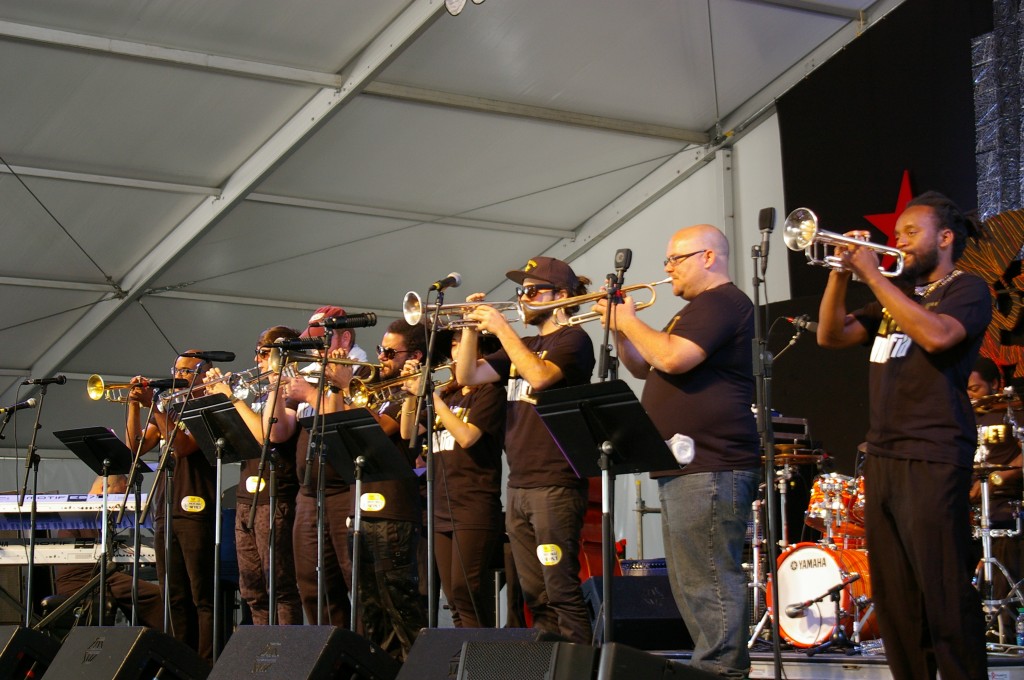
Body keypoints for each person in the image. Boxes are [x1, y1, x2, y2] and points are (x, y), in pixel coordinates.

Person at [816, 191, 990, 680]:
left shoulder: (967, 288)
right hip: (884, 456)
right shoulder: (897, 296)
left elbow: (938, 336)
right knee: (896, 598)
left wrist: (873, 274)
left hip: (933, 453)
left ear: (946, 238)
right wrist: (841, 273)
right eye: (897, 234)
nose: (900, 242)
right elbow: (831, 335)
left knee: (943, 589)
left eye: (911, 232)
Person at [592, 226, 759, 678]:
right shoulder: (691, 311)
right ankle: (712, 667)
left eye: (675, 259)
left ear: (708, 257)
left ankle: (722, 671)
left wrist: (627, 320)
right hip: (684, 464)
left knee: (708, 577)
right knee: (689, 581)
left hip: (711, 462)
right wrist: (620, 330)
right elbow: (643, 365)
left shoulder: (722, 302)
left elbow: (672, 358)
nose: (667, 269)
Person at [456, 256, 595, 643]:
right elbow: (468, 375)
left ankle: (581, 664)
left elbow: (540, 376)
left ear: (561, 296)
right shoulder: (527, 344)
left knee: (561, 589)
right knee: (535, 594)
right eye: (521, 291)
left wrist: (502, 328)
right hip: (519, 483)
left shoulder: (573, 340)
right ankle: (552, 663)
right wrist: (469, 329)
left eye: (532, 291)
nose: (522, 298)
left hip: (556, 482)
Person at [400, 333, 505, 628]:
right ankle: (464, 653)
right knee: (453, 597)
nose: (454, 351)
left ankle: (482, 652)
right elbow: (408, 432)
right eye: (454, 345)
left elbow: (468, 437)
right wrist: (411, 393)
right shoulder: (449, 394)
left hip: (473, 504)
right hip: (442, 506)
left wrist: (432, 398)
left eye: (461, 344)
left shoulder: (490, 392)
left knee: (466, 590)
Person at [203, 326, 302, 625]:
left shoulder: (292, 392)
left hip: (277, 497)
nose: (257, 359)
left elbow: (268, 434)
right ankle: (262, 648)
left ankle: (287, 649)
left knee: (280, 587)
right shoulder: (257, 392)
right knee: (252, 589)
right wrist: (217, 402)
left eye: (264, 353)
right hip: (247, 498)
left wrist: (232, 399)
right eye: (257, 352)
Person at [126, 353, 217, 661]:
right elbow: (135, 446)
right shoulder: (169, 408)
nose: (178, 375)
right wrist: (134, 406)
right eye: (176, 369)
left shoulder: (208, 407)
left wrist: (155, 406)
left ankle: (205, 663)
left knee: (201, 595)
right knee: (173, 594)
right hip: (165, 508)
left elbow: (183, 446)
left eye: (186, 371)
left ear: (203, 374)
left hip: (196, 508)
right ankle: (180, 661)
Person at [289, 306, 364, 627]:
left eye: (322, 340)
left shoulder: (360, 370)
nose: (315, 349)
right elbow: (277, 432)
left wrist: (309, 394)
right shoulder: (310, 373)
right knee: (311, 582)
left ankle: (363, 650)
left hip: (345, 488)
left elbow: (345, 424)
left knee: (354, 578)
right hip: (309, 490)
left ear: (344, 338)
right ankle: (330, 650)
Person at [53, 474, 163, 630]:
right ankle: (164, 638)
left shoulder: (99, 513)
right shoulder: (81, 511)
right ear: (104, 488)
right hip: (84, 579)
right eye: (119, 494)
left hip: (101, 577)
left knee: (141, 592)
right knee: (156, 595)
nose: (122, 501)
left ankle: (143, 635)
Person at [968, 356, 1023, 642]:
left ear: (995, 384)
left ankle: (1005, 628)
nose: (969, 394)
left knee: (1004, 550)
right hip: (969, 503)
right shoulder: (961, 416)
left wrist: (996, 480)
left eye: (975, 388)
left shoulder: (1012, 411)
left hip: (1003, 501)